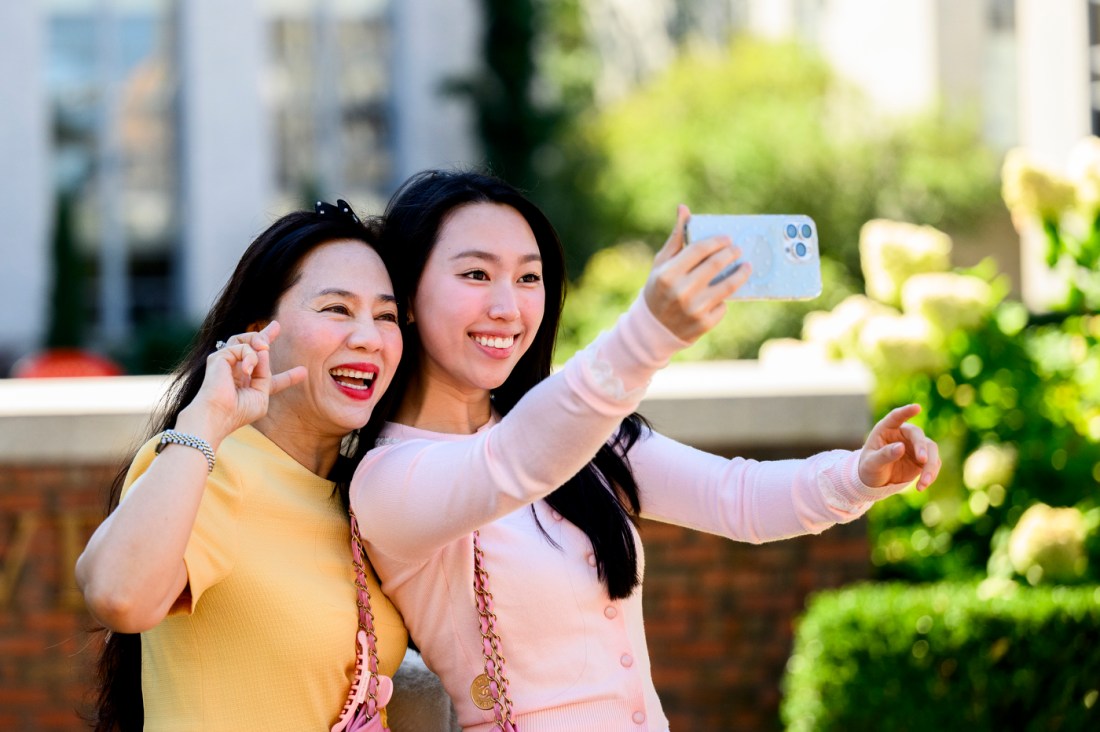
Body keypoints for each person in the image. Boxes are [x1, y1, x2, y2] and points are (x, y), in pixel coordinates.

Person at [350, 170, 942, 732]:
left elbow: (732, 496)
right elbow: (509, 462)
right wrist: (649, 330)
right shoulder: (388, 481)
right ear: (405, 295)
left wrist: (858, 475)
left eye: (528, 278)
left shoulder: (584, 437)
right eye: (476, 275)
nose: (508, 307)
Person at [76, 202, 410, 731]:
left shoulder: (366, 495)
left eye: (386, 316)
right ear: (259, 332)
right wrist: (205, 419)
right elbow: (120, 596)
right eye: (337, 309)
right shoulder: (210, 462)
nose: (368, 336)